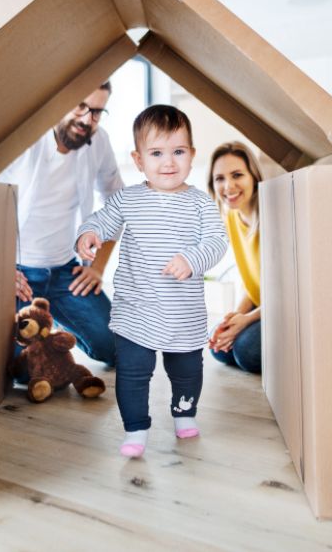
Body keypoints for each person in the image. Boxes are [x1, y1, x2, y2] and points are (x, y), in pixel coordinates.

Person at [76, 105, 227, 458]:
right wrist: (89, 234)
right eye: (157, 153)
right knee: (133, 372)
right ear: (139, 159)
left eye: (178, 151)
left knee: (187, 370)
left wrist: (192, 259)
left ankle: (184, 411)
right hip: (136, 310)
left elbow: (216, 242)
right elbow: (101, 220)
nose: (168, 162)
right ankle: (136, 428)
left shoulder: (200, 204)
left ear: (191, 156)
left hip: (183, 312)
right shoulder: (129, 199)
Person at [0, 81, 123, 373]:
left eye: (98, 112)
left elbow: (117, 202)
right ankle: (43, 330)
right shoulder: (24, 140)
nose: (87, 120)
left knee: (115, 347)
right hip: (19, 275)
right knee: (13, 366)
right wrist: (0, 270)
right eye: (81, 106)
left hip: (67, 271)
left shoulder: (99, 141)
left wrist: (97, 267)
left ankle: (54, 324)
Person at [206, 141, 264, 374]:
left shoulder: (273, 214)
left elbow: (289, 294)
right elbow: (251, 283)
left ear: (253, 177)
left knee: (246, 351)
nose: (228, 186)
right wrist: (235, 317)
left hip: (285, 309)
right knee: (218, 346)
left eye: (237, 175)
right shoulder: (231, 217)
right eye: (219, 178)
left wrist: (247, 320)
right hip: (261, 306)